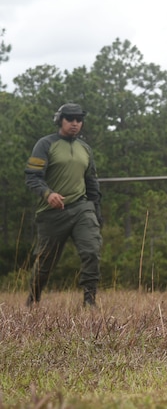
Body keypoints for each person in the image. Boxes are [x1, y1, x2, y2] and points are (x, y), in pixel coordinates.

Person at [24, 103, 103, 307]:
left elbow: (92, 182)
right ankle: (33, 299)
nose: (75, 124)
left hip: (81, 207)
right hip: (51, 213)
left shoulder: (85, 148)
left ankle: (89, 300)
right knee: (45, 263)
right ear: (60, 120)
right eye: (70, 119)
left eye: (79, 120)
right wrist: (47, 194)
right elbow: (32, 177)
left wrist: (96, 211)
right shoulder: (45, 144)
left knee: (91, 251)